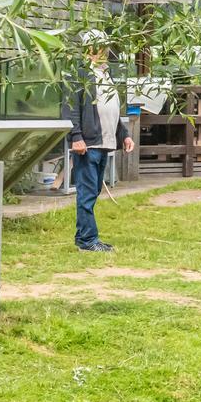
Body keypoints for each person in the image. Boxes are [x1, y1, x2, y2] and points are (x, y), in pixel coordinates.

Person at [61, 42, 135, 253]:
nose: (104, 52)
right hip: (89, 143)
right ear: (89, 50)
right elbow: (70, 108)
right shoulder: (80, 74)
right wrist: (76, 136)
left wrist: (124, 135)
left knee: (93, 190)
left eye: (104, 48)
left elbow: (112, 110)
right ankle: (87, 240)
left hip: (104, 142)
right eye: (99, 48)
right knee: (87, 192)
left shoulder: (106, 75)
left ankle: (85, 237)